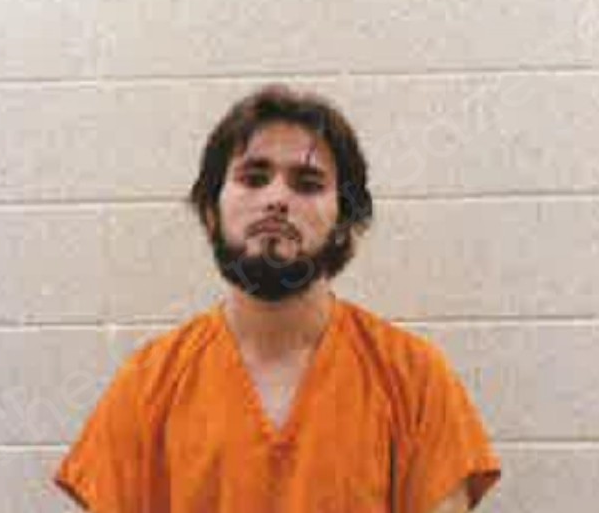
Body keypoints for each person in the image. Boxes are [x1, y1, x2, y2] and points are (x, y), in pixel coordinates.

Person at [54, 85, 502, 512]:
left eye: (307, 183)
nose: (277, 199)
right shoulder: (146, 387)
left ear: (343, 221)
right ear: (210, 211)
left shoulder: (415, 379)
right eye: (254, 177)